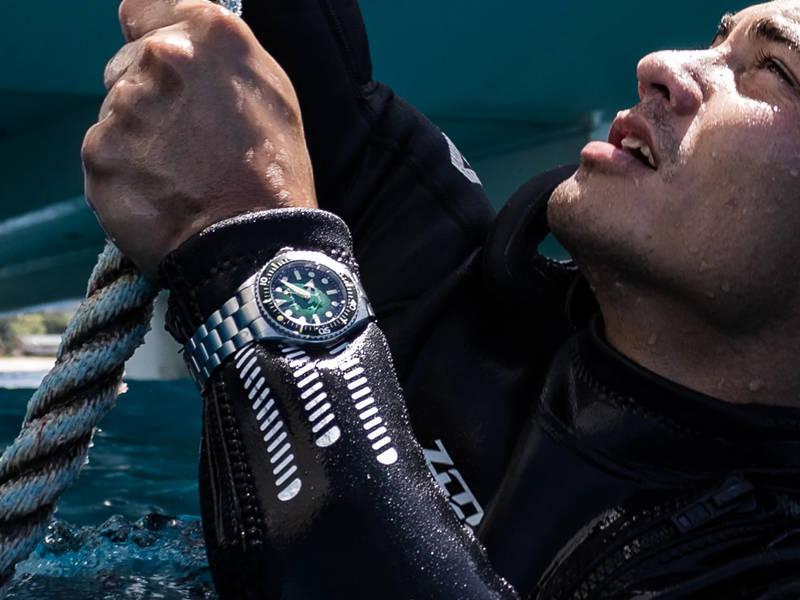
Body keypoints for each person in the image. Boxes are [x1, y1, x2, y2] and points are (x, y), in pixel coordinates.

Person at [81, 0, 800, 596]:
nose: (661, 65)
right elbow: (291, 53)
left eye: (774, 69)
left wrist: (259, 265)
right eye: (717, 39)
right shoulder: (449, 278)